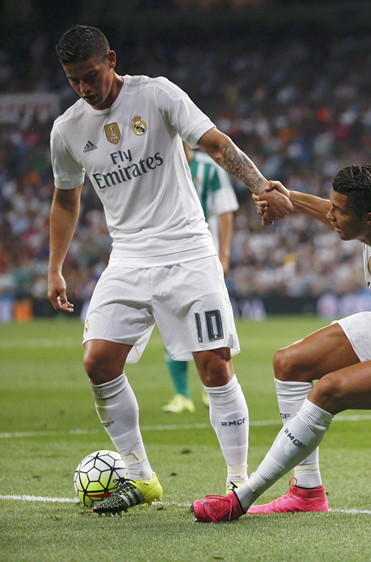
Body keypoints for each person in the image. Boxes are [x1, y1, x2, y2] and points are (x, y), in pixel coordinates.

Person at [47, 24, 292, 515]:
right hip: (129, 258)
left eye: (90, 75)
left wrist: (260, 186)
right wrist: (55, 267)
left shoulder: (156, 94)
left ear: (111, 59)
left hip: (188, 252)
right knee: (98, 363)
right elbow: (65, 199)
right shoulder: (67, 129)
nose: (84, 88)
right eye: (74, 80)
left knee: (214, 366)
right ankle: (141, 479)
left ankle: (237, 485)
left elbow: (216, 144)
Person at [191, 164, 371, 523]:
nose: (331, 214)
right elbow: (330, 212)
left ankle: (242, 498)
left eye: (340, 211)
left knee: (327, 391)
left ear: (370, 219)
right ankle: (306, 492)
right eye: (333, 204)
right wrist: (286, 197)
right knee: (289, 363)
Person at [162, 142, 238, 414]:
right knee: (172, 323)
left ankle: (215, 387)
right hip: (168, 258)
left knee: (212, 325)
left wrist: (225, 254)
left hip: (204, 257)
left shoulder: (207, 167)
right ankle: (182, 395)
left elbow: (225, 210)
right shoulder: (158, 164)